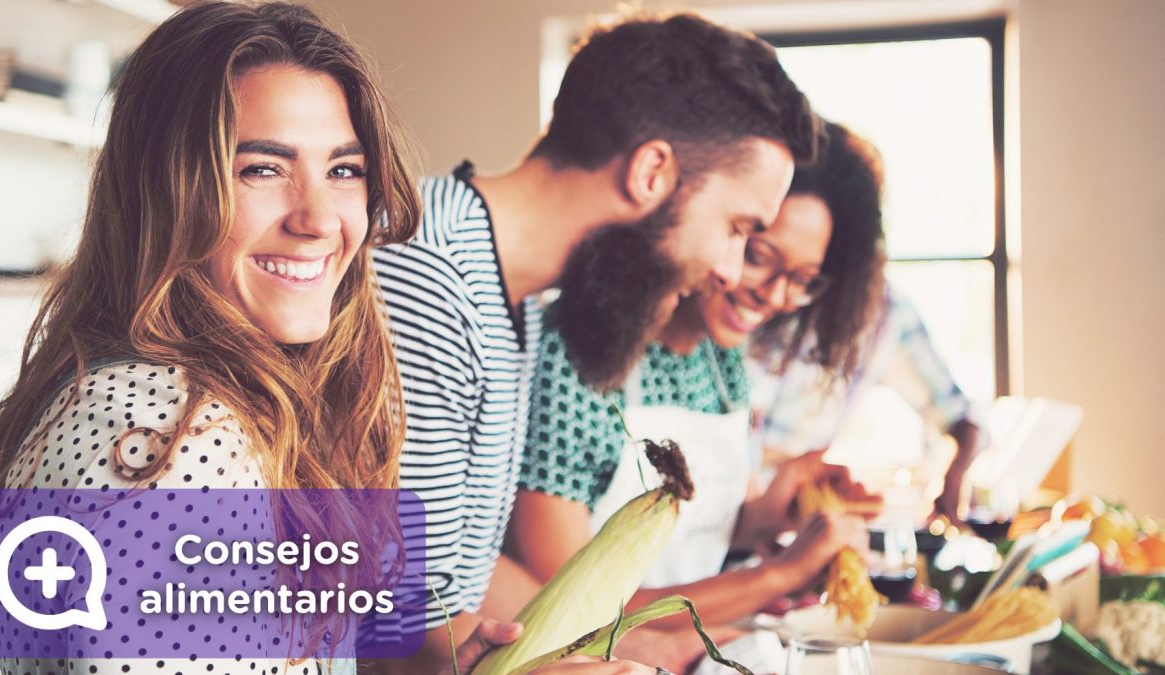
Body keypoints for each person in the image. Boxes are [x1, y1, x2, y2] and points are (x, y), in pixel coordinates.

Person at [0, 4, 650, 674]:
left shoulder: (193, 406)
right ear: (167, 191)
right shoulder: (171, 442)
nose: (321, 217)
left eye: (344, 170)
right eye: (261, 167)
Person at [371, 10, 820, 672]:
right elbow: (384, 617)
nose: (728, 270)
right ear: (651, 171)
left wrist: (637, 646)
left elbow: (445, 576)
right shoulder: (428, 276)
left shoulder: (509, 292)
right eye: (735, 226)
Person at [510, 123, 888, 631]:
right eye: (758, 257)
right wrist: (779, 575)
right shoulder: (578, 354)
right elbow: (562, 605)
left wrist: (775, 512)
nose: (773, 297)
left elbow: (685, 540)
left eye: (800, 281)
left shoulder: (721, 360)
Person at [751, 280, 982, 524]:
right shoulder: (766, 287)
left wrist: (953, 476)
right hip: (728, 514)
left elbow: (960, 414)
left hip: (782, 520)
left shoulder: (886, 314)